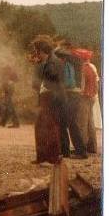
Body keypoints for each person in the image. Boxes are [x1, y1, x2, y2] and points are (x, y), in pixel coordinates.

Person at [29, 37, 64, 165]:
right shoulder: (51, 61)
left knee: (49, 127)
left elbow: (52, 78)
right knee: (44, 127)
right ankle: (45, 157)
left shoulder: (52, 62)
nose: (36, 54)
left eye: (37, 51)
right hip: (48, 97)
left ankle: (52, 157)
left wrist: (40, 65)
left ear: (42, 51)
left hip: (50, 97)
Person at [55, 41, 88, 159]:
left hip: (71, 94)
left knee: (71, 122)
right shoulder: (76, 60)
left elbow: (68, 83)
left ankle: (81, 151)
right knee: (64, 122)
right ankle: (66, 151)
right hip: (75, 94)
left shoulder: (68, 63)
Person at [79, 50, 100, 154]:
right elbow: (97, 82)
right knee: (90, 122)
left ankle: (82, 147)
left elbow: (83, 85)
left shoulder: (84, 68)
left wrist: (80, 92)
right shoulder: (93, 67)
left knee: (83, 122)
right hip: (93, 96)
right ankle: (93, 147)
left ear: (82, 59)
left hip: (85, 97)